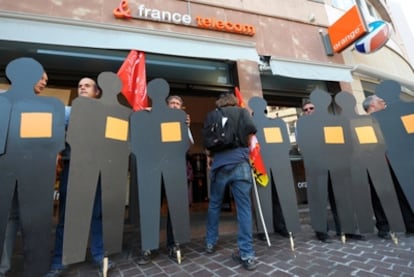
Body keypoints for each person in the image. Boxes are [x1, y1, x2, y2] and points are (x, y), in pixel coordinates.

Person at [45, 77, 115, 276]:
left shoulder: (105, 113)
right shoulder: (67, 112)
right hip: (72, 168)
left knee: (97, 214)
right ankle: (60, 261)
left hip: (97, 171)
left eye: (87, 86)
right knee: (67, 217)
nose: (83, 88)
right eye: (80, 86)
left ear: (97, 92)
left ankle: (99, 256)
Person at [0, 71, 49, 276]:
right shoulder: (3, 100)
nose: (44, 83)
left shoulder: (42, 108)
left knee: (15, 217)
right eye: (41, 78)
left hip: (29, 174)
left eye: (46, 81)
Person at [204, 93, 257, 271]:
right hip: (240, 162)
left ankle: (210, 242)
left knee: (215, 204)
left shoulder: (213, 114)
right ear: (234, 101)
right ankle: (247, 254)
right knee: (244, 208)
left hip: (220, 164)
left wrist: (209, 158)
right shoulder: (242, 112)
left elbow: (207, 142)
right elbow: (251, 133)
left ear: (219, 102)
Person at [363, 94, 414, 236]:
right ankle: (383, 227)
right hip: (375, 164)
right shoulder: (365, 121)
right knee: (378, 196)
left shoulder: (388, 119)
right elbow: (367, 145)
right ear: (372, 106)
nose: (384, 104)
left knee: (402, 193)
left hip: (394, 163)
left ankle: (410, 225)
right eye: (381, 101)